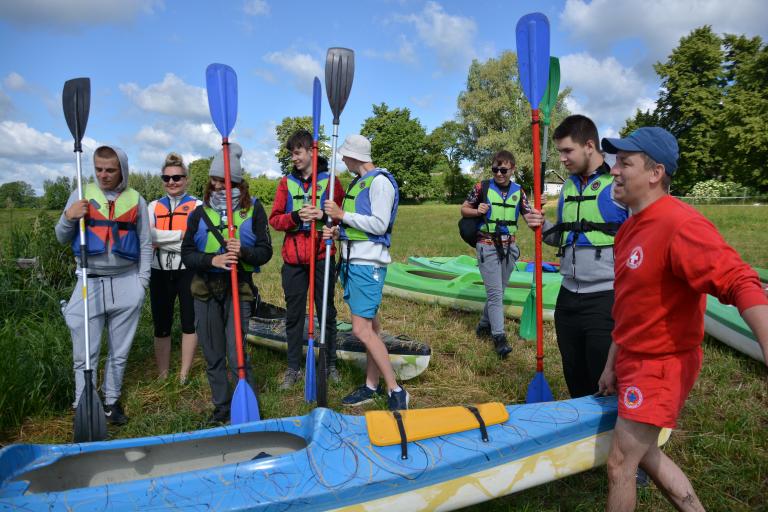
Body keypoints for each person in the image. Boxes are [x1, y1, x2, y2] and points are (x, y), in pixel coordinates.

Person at [596, 127, 768, 511]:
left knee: (621, 463)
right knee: (647, 455)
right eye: (615, 162)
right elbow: (628, 308)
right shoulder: (627, 231)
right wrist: (612, 363)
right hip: (633, 358)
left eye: (625, 163)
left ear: (656, 173)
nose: (614, 171)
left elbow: (741, 281)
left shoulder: (680, 225)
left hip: (662, 365)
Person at [524, 115, 628, 398]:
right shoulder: (569, 186)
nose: (562, 158)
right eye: (559, 152)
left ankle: (610, 436)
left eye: (567, 150)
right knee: (573, 372)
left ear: (590, 146)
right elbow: (562, 237)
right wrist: (540, 225)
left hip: (605, 297)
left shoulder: (618, 184)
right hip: (568, 297)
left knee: (603, 378)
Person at [55, 145, 152, 426]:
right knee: (85, 352)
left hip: (126, 283)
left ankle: (111, 401)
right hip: (89, 282)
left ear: (122, 169)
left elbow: (146, 244)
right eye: (98, 169)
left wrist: (141, 284)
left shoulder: (137, 200)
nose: (103, 175)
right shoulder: (81, 196)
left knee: (119, 353)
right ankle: (83, 403)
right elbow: (61, 237)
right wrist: (68, 217)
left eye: (110, 170)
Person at [181, 143, 272, 424]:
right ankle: (221, 407)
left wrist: (243, 252)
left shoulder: (254, 210)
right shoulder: (199, 213)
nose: (217, 185)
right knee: (213, 354)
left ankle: (247, 406)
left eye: (223, 180)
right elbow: (187, 253)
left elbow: (265, 252)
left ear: (237, 180)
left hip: (238, 291)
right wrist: (213, 261)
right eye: (214, 179)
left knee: (237, 354)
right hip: (205, 291)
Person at [322, 134, 408, 411]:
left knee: (361, 330)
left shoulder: (380, 183)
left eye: (345, 155)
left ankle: (396, 390)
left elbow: (380, 224)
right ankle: (371, 386)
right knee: (371, 327)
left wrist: (341, 215)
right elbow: (361, 225)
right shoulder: (360, 183)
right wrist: (339, 231)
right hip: (354, 262)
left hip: (367, 265)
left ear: (354, 156)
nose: (343, 159)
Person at [270, 131, 345, 390]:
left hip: (322, 255)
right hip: (293, 259)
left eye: (297, 152)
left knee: (326, 312)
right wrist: (295, 216)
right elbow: (275, 219)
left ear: (311, 152)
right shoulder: (285, 183)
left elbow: (341, 218)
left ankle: (329, 364)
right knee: (294, 315)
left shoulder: (331, 181)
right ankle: (294, 369)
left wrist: (325, 217)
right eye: (291, 153)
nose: (293, 158)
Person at [460, 150, 531, 358]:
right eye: (495, 169)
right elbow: (464, 209)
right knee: (495, 294)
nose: (499, 173)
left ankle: (483, 325)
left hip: (510, 248)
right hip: (487, 245)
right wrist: (477, 211)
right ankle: (499, 337)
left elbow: (529, 216)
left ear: (512, 169)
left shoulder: (520, 192)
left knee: (499, 289)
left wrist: (539, 212)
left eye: (503, 170)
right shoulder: (481, 187)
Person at [147, 152, 202, 383]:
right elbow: (149, 236)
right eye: (167, 178)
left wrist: (163, 239)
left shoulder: (197, 206)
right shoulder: (152, 206)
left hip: (187, 271)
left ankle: (183, 375)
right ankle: (163, 374)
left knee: (189, 322)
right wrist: (181, 236)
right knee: (162, 324)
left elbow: (197, 240)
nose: (172, 182)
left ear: (186, 179)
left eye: (177, 177)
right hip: (159, 271)